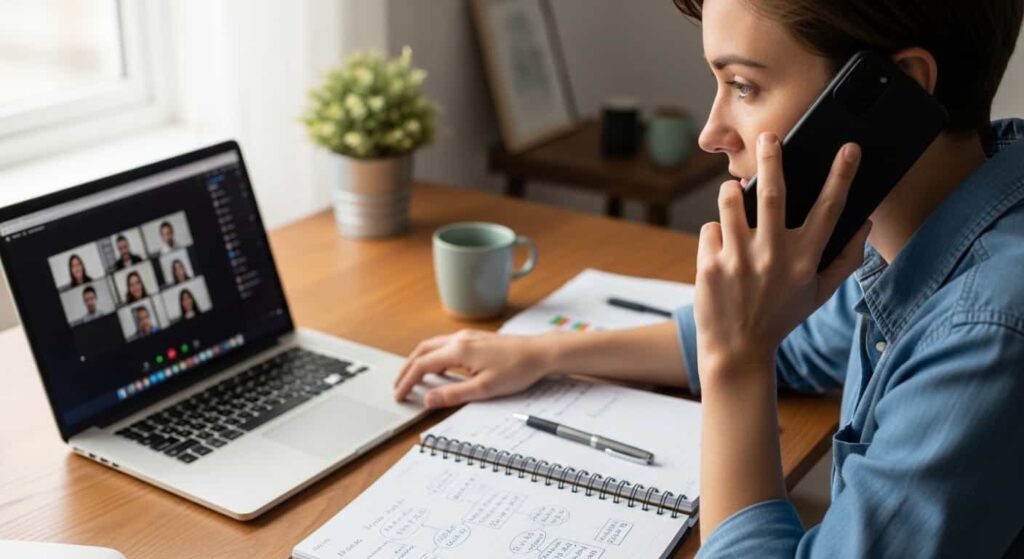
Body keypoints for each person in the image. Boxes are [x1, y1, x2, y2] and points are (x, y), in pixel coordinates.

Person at [393, 0, 1024, 556]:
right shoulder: (920, 222)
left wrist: (736, 363)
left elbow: (754, 347)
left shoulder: (986, 332)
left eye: (744, 86)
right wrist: (542, 353)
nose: (711, 133)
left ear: (897, 90)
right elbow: (803, 344)